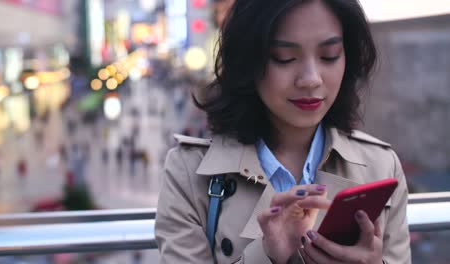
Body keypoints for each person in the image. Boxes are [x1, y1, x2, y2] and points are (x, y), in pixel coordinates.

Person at [155, 0, 411, 263]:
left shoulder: (380, 165)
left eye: (329, 55)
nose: (311, 79)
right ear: (248, 61)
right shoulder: (189, 171)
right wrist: (267, 254)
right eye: (284, 58)